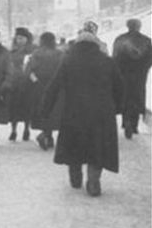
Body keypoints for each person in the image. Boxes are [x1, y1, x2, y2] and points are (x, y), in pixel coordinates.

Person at [42, 31, 124, 196]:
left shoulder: (68, 61)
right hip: (101, 113)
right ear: (96, 44)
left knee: (74, 145)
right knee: (97, 147)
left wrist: (45, 108)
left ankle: (75, 176)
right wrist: (117, 108)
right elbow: (120, 87)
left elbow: (54, 85)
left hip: (74, 111)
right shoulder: (107, 61)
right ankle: (94, 182)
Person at [112, 18, 152, 139]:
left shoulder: (120, 39)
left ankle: (126, 122)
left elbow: (115, 57)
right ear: (139, 27)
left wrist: (117, 71)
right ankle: (134, 123)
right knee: (137, 96)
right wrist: (144, 69)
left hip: (123, 74)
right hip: (139, 75)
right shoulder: (146, 40)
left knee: (125, 96)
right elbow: (151, 58)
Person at [26, 31, 64, 150]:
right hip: (56, 86)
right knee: (54, 111)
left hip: (40, 86)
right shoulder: (59, 53)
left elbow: (29, 71)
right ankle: (49, 136)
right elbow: (64, 69)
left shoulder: (37, 53)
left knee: (42, 111)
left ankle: (45, 135)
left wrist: (35, 81)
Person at [8, 27, 35, 141]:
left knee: (27, 108)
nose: (19, 40)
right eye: (18, 38)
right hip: (14, 83)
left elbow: (34, 66)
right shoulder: (11, 51)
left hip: (27, 84)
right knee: (13, 108)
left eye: (22, 38)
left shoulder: (32, 51)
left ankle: (26, 130)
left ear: (27, 39)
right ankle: (13, 130)